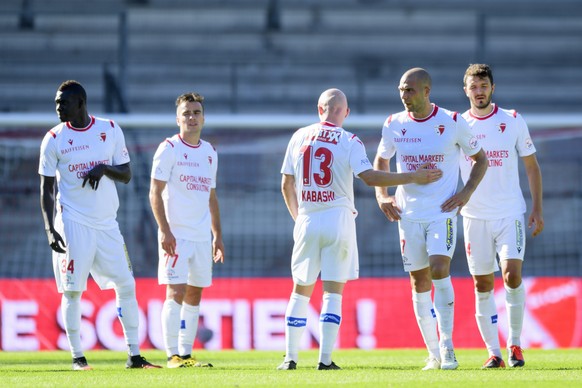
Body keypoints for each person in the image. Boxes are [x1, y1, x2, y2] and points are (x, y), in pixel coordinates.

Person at [278, 88, 443, 371]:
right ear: (346, 112)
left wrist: (299, 219)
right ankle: (325, 360)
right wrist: (413, 176)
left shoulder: (298, 136)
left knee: (300, 291)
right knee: (333, 292)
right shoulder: (349, 141)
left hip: (306, 218)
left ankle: (290, 359)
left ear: (319, 109)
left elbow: (286, 184)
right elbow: (370, 178)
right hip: (337, 218)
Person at [39, 80, 161, 370]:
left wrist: (104, 168)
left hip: (107, 224)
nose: (58, 108)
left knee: (126, 284)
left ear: (80, 103)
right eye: (57, 103)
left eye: (63, 103)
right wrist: (49, 228)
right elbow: (46, 189)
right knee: (72, 291)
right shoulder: (54, 138)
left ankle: (134, 356)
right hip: (72, 222)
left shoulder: (109, 129)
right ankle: (78, 358)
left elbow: (127, 174)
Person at [373, 68, 488, 370]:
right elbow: (381, 160)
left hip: (442, 212)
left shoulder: (451, 121)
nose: (404, 95)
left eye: (409, 90)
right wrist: (382, 195)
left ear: (426, 91)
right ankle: (433, 353)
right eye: (401, 89)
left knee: (439, 269)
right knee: (418, 279)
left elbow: (481, 159)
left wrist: (466, 192)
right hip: (407, 214)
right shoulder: (393, 123)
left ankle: (448, 346)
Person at [460, 64, 544, 368]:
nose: (479, 91)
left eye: (484, 85)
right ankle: (493, 352)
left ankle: (515, 345)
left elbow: (532, 166)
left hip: (510, 212)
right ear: (465, 90)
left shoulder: (511, 119)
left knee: (511, 274)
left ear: (492, 88)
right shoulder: (459, 125)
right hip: (474, 216)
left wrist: (536, 208)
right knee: (482, 284)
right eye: (474, 86)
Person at [149, 92, 224, 368]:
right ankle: (172, 355)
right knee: (175, 292)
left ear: (203, 118)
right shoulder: (168, 148)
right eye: (187, 113)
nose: (192, 117)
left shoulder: (209, 152)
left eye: (196, 112)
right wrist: (165, 231)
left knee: (195, 293)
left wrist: (218, 235)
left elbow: (211, 196)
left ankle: (186, 353)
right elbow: (154, 192)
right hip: (176, 235)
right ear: (178, 118)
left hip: (202, 236)